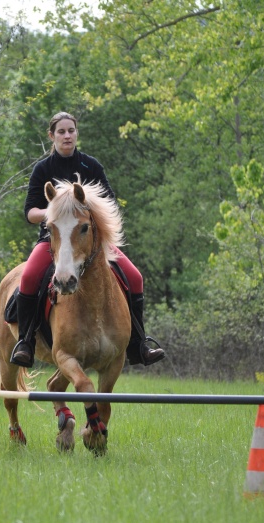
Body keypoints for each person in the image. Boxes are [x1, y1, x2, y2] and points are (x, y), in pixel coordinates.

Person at [10, 111, 166, 368]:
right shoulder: (43, 169)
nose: (67, 135)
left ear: (76, 133)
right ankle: (25, 341)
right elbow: (29, 212)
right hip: (54, 240)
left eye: (71, 130)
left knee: (135, 277)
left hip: (91, 241)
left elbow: (110, 202)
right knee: (27, 278)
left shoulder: (91, 166)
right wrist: (54, 211)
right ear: (52, 136)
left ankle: (139, 344)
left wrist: (86, 209)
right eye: (61, 131)